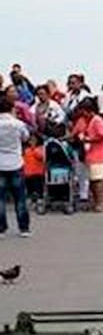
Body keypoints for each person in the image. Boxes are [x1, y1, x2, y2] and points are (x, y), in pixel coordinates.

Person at [0, 96, 31, 237]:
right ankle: (24, 228)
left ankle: (1, 228)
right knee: (20, 197)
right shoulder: (18, 124)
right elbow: (26, 138)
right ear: (12, 108)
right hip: (15, 162)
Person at [73, 98, 103, 212]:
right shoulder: (89, 121)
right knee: (93, 180)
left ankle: (99, 203)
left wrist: (89, 140)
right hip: (92, 154)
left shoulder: (97, 120)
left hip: (99, 155)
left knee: (97, 180)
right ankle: (95, 202)